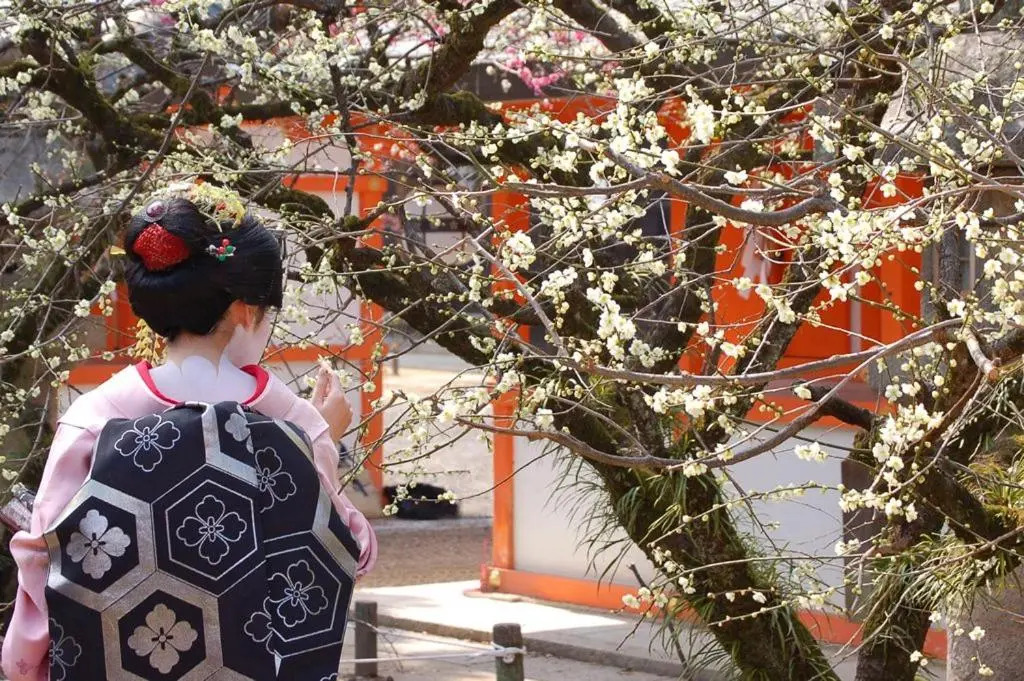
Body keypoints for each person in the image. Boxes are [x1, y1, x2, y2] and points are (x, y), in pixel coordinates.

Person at [1, 194, 377, 680]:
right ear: (245, 311)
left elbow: (43, 559)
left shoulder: (94, 418)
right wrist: (323, 439)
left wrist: (24, 664)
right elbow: (350, 552)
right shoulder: (296, 421)